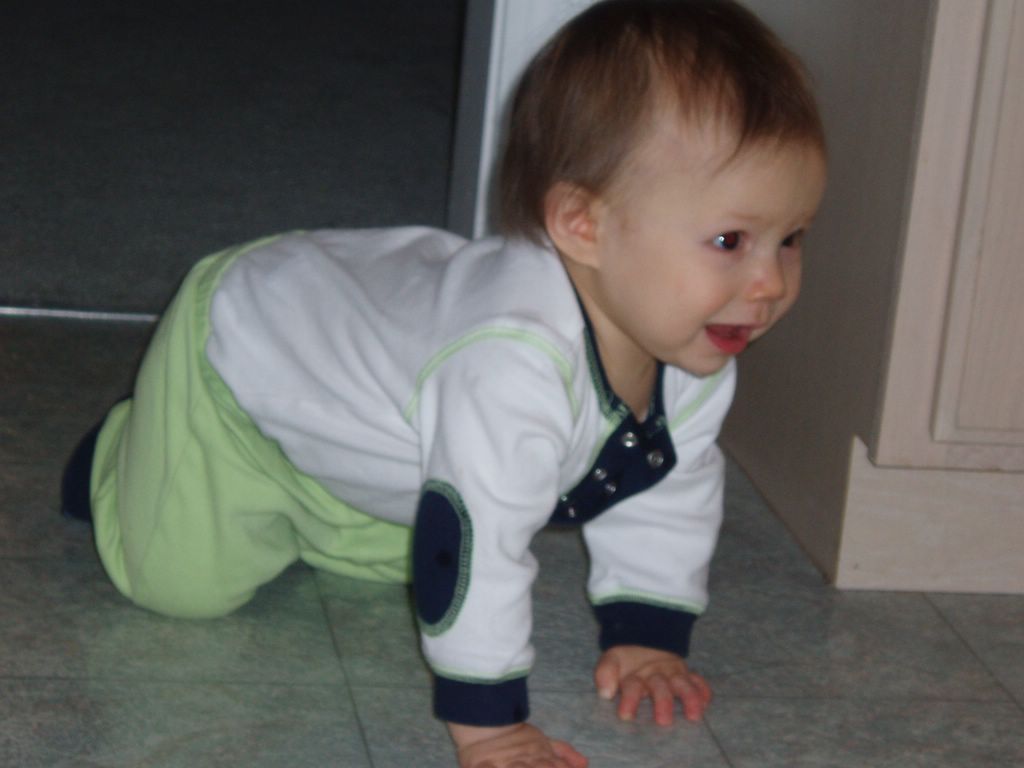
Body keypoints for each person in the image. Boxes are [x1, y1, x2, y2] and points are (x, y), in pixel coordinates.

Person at [61, 1, 827, 765]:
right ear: (583, 225)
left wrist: (647, 633)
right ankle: (121, 455)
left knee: (397, 555)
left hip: (374, 395)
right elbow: (474, 548)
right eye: (730, 240)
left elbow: (667, 485)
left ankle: (318, 489)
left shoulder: (691, 343)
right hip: (243, 346)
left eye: (790, 238)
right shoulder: (508, 368)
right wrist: (491, 727)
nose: (769, 284)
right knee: (181, 587)